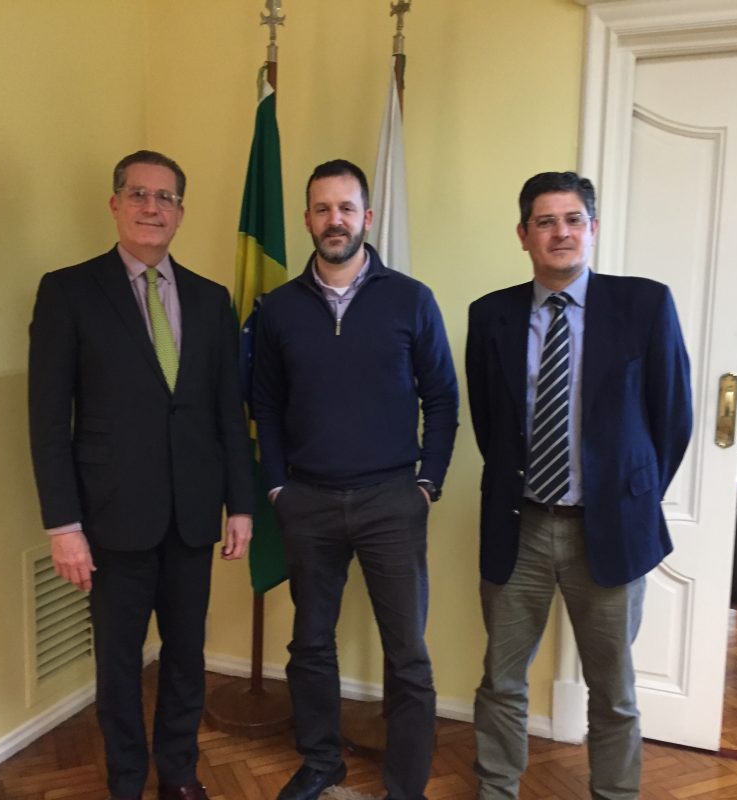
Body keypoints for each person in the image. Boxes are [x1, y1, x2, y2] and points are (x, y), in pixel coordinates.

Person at [28, 150, 254, 800]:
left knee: (185, 658)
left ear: (181, 212)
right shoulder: (68, 291)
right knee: (119, 664)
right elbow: (48, 419)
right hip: (111, 518)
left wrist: (240, 505)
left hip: (192, 516)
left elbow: (227, 412)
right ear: (115, 204)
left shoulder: (211, 300)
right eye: (138, 194)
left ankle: (178, 774)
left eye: (166, 197)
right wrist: (63, 525)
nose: (152, 207)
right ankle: (126, 781)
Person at [465, 171, 692, 799]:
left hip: (611, 529)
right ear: (523, 235)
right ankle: (496, 789)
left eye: (572, 220)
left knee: (613, 688)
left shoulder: (645, 305)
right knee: (501, 679)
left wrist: (630, 496)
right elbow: (490, 423)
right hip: (521, 527)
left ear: (592, 229)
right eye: (545, 221)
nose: (560, 233)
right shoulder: (490, 315)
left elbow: (672, 417)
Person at [252, 159, 459, 800]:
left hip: (392, 501)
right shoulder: (278, 309)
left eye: (346, 208)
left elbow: (442, 398)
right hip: (308, 500)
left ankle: (406, 786)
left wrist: (427, 484)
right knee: (310, 644)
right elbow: (265, 406)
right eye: (322, 209)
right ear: (307, 219)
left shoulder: (411, 299)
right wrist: (278, 487)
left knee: (408, 656)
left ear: (367, 217)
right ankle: (321, 762)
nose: (334, 220)